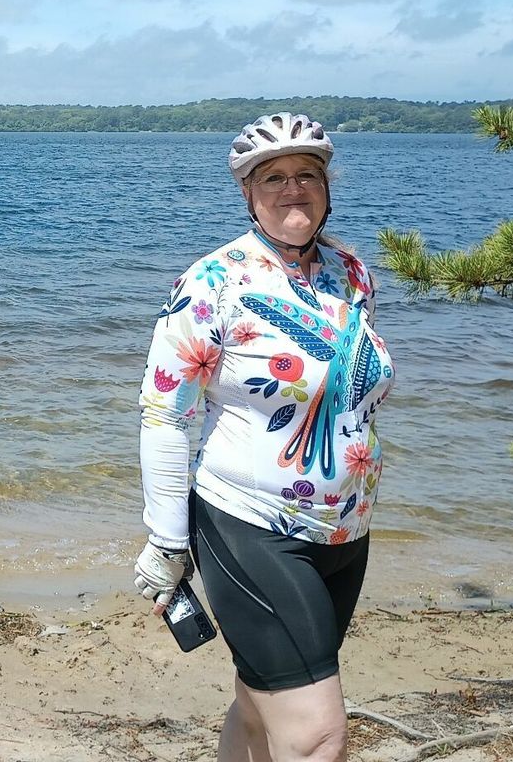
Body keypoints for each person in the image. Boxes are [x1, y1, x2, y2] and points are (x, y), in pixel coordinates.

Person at [134, 113, 396, 762]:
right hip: (249, 526)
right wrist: (166, 539)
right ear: (247, 193)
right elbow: (165, 414)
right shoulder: (212, 283)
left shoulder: (351, 273)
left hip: (344, 534)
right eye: (272, 177)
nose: (292, 188)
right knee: (315, 736)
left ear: (327, 186)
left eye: (306, 173)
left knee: (259, 706)